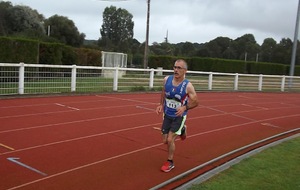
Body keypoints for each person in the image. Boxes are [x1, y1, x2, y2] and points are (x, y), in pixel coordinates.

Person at [156, 59, 199, 172]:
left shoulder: (188, 86)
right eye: (175, 67)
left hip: (179, 116)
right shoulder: (167, 80)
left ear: (185, 71)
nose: (176, 70)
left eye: (179, 68)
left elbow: (196, 102)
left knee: (170, 140)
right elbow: (163, 92)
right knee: (165, 140)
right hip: (167, 114)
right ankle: (183, 130)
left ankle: (170, 162)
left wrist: (184, 107)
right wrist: (160, 104)